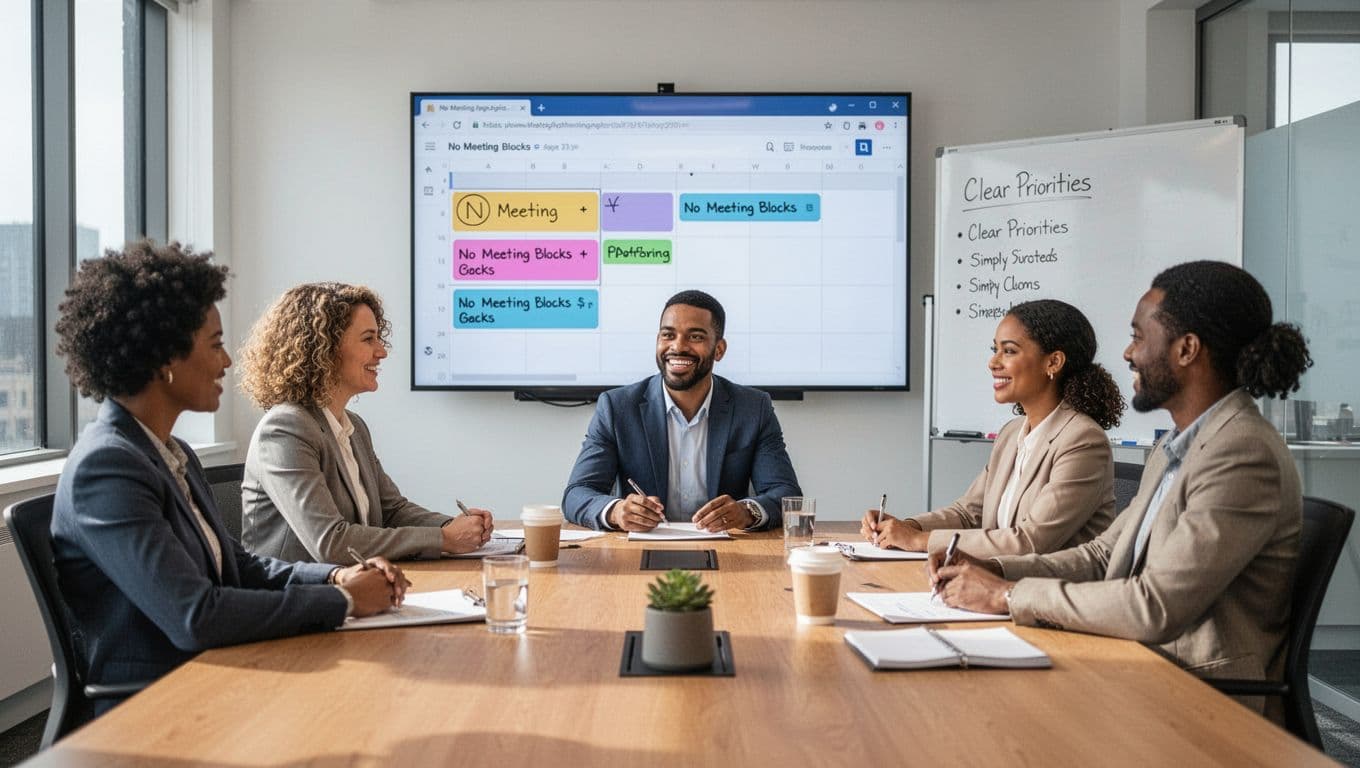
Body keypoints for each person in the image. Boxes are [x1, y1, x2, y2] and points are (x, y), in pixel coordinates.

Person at [931, 261, 1312, 707]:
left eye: (1138, 336)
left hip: (1196, 695)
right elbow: (1104, 554)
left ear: (1186, 349)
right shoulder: (1180, 442)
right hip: (1135, 664)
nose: (1128, 353)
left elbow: (1155, 607)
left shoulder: (1242, 453)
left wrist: (1007, 595)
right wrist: (996, 570)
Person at [51, 242, 406, 708]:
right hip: (160, 704)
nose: (228, 361)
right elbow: (195, 614)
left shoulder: (170, 453)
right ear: (164, 358)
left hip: (217, 670)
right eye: (216, 345)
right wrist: (343, 602)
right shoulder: (107, 467)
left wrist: (336, 579)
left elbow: (238, 568)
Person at [237, 283, 492, 563]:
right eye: (368, 339)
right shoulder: (285, 429)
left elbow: (392, 511)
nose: (381, 352)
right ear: (324, 349)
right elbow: (331, 542)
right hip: (297, 597)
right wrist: (444, 539)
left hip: (353, 589)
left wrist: (453, 527)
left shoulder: (353, 427)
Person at [863, 299, 1122, 557]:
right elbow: (968, 514)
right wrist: (907, 527)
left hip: (1049, 592)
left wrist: (920, 540)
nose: (993, 362)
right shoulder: (1012, 433)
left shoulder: (1083, 441)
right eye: (995, 349)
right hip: (996, 585)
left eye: (1008, 351)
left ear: (1053, 362)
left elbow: (1030, 542)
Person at [563, 290, 801, 532]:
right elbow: (577, 494)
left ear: (719, 349)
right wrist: (616, 511)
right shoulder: (617, 407)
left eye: (695, 337)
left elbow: (787, 494)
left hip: (727, 551)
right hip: (639, 551)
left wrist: (747, 511)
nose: (678, 347)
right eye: (668, 335)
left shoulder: (753, 408)